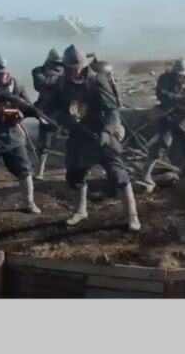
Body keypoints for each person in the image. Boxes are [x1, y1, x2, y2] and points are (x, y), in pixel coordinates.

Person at [42, 45, 140, 231]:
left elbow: (112, 111)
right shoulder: (62, 83)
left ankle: (132, 216)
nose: (76, 71)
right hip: (78, 136)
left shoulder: (96, 81)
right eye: (72, 67)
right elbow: (50, 106)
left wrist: (107, 132)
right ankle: (80, 211)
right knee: (74, 175)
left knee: (118, 175)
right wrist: (54, 116)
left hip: (100, 134)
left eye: (79, 67)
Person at [0, 53, 42, 213]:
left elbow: (28, 107)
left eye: (5, 73)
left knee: (24, 169)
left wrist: (21, 113)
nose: (3, 77)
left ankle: (29, 203)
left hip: (12, 135)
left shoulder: (16, 86)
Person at [142, 58, 185, 186]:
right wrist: (180, 99)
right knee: (162, 146)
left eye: (182, 75)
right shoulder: (165, 78)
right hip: (168, 116)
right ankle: (146, 174)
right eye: (178, 75)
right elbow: (161, 94)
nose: (180, 78)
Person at [31, 48, 64, 180]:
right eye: (56, 63)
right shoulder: (38, 71)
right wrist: (61, 77)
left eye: (60, 64)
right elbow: (42, 84)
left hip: (65, 109)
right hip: (48, 110)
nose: (58, 66)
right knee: (44, 142)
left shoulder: (66, 71)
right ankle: (40, 170)